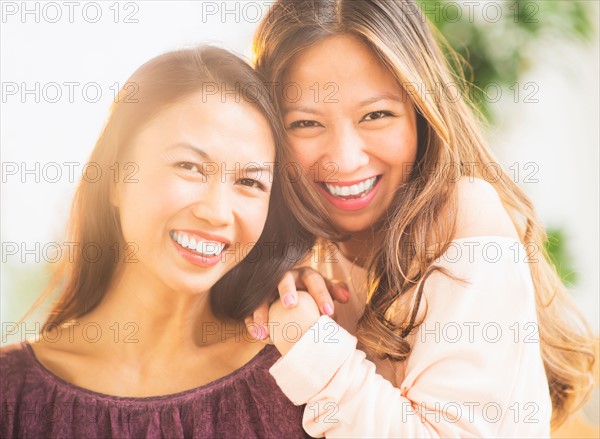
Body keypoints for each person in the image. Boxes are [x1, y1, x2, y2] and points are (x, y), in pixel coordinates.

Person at [247, 0, 597, 437]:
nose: (344, 159)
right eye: (305, 124)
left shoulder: (463, 217)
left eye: (376, 115)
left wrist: (305, 339)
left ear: (422, 113)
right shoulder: (298, 256)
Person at [0, 45, 333, 438]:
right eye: (189, 167)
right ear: (115, 177)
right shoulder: (12, 394)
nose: (217, 212)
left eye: (250, 182)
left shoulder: (299, 379)